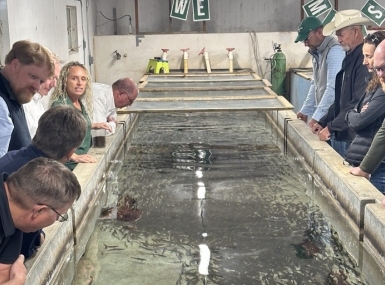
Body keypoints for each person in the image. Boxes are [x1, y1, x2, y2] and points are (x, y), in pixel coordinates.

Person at [0, 105, 87, 259]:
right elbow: (25, 248)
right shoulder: (40, 184)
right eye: (59, 215)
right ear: (71, 152)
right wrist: (37, 238)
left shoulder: (11, 156)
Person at [0, 157, 81, 283]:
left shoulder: (15, 216)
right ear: (40, 211)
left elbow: (3, 273)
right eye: (59, 215)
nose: (56, 220)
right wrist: (18, 280)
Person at [311, 10, 372, 157]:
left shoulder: (364, 62)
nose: (338, 39)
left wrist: (330, 127)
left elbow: (357, 103)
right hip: (343, 132)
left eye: (341, 35)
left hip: (354, 138)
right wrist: (324, 120)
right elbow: (341, 99)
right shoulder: (348, 57)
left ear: (356, 31)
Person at [50, 61, 110, 170]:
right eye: (74, 78)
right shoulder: (60, 106)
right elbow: (52, 139)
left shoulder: (78, 102)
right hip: (68, 167)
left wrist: (91, 125)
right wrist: (75, 157)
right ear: (64, 81)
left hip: (83, 160)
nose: (79, 83)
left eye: (83, 79)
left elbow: (71, 126)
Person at [344, 32, 385, 193]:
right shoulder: (376, 85)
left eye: (383, 68)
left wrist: (365, 168)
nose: (380, 74)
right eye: (378, 69)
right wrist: (365, 168)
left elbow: (361, 119)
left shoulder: (381, 92)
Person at [0, 40, 55, 157]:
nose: (37, 86)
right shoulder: (1, 102)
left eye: (41, 81)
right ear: (15, 65)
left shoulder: (15, 95)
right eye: (33, 76)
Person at [295, 16, 345, 128]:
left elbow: (333, 87)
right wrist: (305, 110)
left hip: (335, 118)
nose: (305, 44)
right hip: (325, 116)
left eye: (306, 39)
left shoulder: (334, 51)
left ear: (319, 32)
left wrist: (316, 117)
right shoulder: (316, 52)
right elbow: (315, 84)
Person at [23, 53, 62, 138]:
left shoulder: (38, 101)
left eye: (56, 79)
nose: (54, 84)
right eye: (51, 77)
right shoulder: (25, 103)